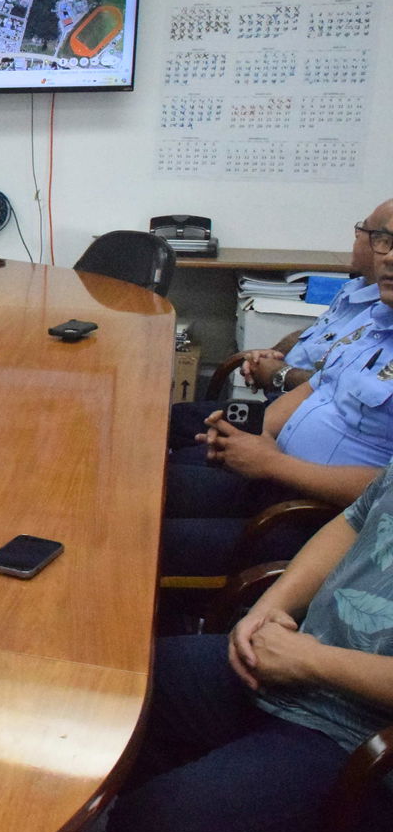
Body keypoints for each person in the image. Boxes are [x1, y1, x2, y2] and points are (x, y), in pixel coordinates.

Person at [108, 469, 393, 832]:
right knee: (122, 685)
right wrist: (266, 608)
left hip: (357, 733)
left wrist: (310, 661)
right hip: (294, 660)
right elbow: (354, 520)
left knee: (160, 830)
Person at [159, 208, 393, 576]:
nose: (389, 256)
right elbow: (318, 385)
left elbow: (386, 493)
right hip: (277, 480)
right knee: (145, 493)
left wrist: (272, 462)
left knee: (151, 541)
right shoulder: (378, 322)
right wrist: (262, 440)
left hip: (318, 519)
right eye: (385, 241)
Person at [169, 198, 392, 449]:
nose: (356, 236)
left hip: (300, 441)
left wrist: (279, 374)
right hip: (281, 418)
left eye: (366, 231)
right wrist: (275, 353)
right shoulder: (356, 289)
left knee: (171, 440)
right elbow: (317, 335)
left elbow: (332, 384)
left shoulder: (381, 306)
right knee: (173, 422)